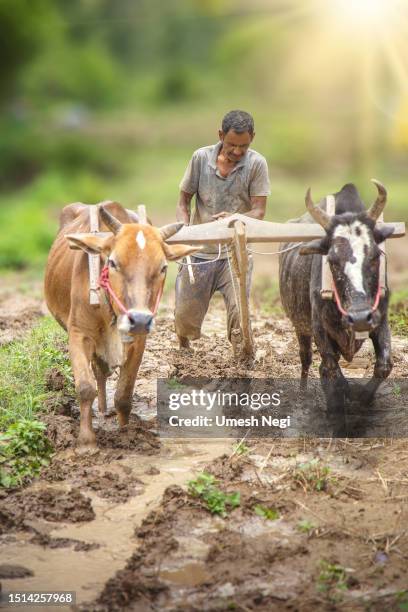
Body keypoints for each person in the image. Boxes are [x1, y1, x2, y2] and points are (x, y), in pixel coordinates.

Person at [174, 109, 270, 355]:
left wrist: (235, 218)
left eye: (244, 146)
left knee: (240, 312)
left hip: (235, 252)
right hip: (199, 250)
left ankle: (241, 354)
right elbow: (184, 201)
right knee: (185, 316)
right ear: (220, 136)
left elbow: (259, 211)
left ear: (253, 139)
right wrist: (184, 229)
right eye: (231, 145)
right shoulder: (200, 158)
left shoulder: (257, 164)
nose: (237, 151)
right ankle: (184, 349)